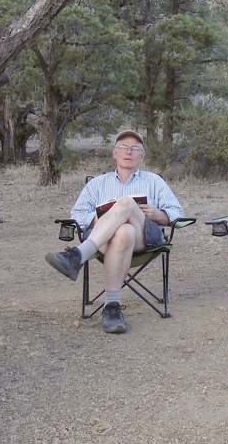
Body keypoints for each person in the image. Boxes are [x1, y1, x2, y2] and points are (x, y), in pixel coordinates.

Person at [45, 130, 184, 334]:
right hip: (108, 240)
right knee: (123, 231)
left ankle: (77, 255)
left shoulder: (155, 181)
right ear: (114, 153)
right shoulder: (97, 184)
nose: (129, 152)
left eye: (135, 149)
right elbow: (77, 214)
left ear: (142, 156)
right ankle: (112, 308)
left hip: (144, 238)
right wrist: (102, 218)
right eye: (123, 147)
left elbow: (177, 213)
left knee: (127, 203)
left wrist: (156, 214)